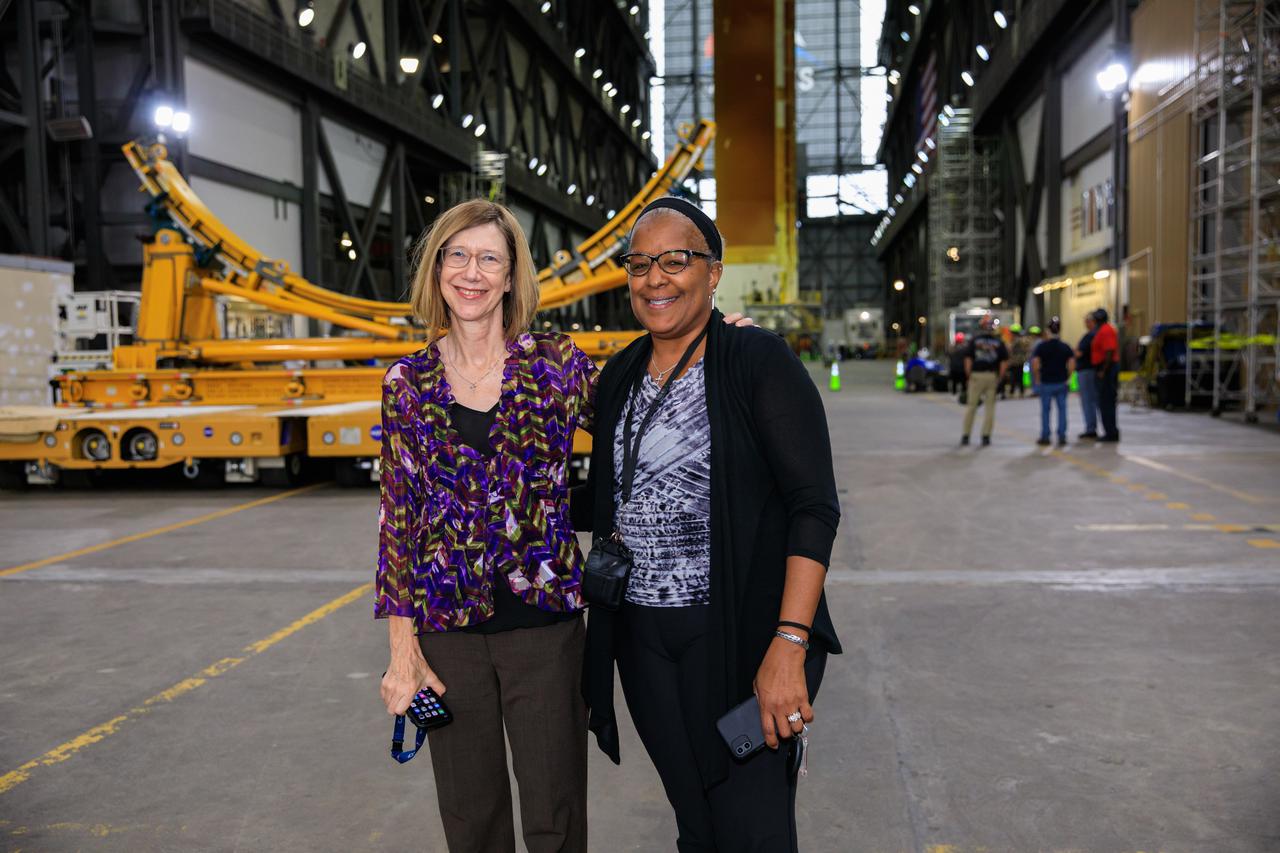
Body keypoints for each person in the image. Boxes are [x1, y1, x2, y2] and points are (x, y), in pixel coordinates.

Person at [375, 199, 753, 853]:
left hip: (546, 635)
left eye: (489, 257)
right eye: (457, 255)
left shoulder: (552, 364)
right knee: (470, 821)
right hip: (447, 640)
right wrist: (401, 655)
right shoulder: (408, 381)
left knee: (556, 819)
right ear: (437, 271)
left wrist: (713, 351)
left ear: (511, 274)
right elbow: (399, 522)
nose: (472, 271)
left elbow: (640, 412)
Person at [578, 197, 841, 853]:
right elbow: (614, 493)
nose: (655, 278)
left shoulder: (756, 362)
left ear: (714, 271)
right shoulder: (619, 375)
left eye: (675, 259)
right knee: (696, 822)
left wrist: (788, 645)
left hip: (745, 638)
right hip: (645, 644)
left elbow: (814, 506)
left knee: (753, 826)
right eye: (640, 264)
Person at [961, 314, 1009, 446]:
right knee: (990, 408)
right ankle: (986, 436)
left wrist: (969, 375)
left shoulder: (974, 341)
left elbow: (968, 359)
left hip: (976, 376)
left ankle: (966, 435)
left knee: (971, 406)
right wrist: (1000, 377)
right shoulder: (999, 343)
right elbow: (1004, 363)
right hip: (991, 376)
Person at [1031, 318, 1076, 447]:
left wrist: (1037, 378)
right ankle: (1062, 435)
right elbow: (1072, 364)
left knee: (1045, 410)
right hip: (1061, 382)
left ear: (1047, 330)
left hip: (1046, 382)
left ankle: (1045, 436)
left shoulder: (1041, 347)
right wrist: (1067, 376)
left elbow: (1035, 364)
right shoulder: (1065, 346)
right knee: (1062, 409)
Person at [1091, 307, 1121, 442]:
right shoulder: (1102, 330)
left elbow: (1109, 351)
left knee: (1106, 402)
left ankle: (1111, 432)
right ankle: (1110, 430)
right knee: (1104, 402)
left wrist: (1103, 370)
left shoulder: (1106, 330)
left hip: (1107, 369)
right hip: (1105, 368)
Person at [1075, 312, 1099, 439]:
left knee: (1088, 401)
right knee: (1091, 400)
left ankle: (1091, 428)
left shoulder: (1090, 336)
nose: (1085, 323)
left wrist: (1074, 351)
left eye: (1087, 321)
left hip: (1086, 371)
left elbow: (1079, 353)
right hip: (1090, 371)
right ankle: (1091, 426)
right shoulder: (1094, 335)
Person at [949, 333, 968, 398]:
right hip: (962, 368)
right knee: (963, 383)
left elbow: (949, 355)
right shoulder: (965, 348)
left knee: (954, 382)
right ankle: (963, 394)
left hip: (954, 368)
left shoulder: (952, 348)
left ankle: (954, 393)